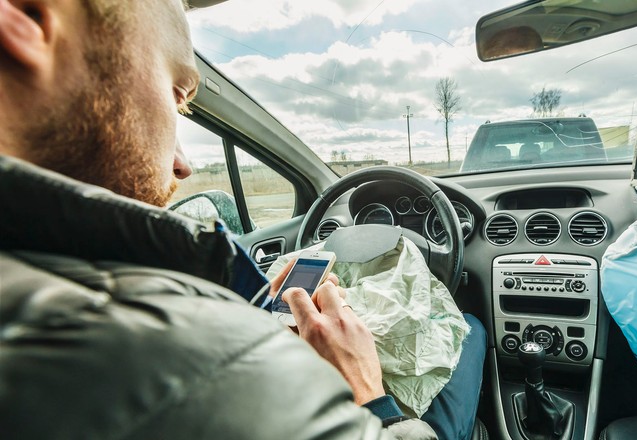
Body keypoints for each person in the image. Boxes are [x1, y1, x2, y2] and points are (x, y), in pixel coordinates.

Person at [0, 0, 484, 438]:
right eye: (177, 93)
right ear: (23, 16)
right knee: (471, 328)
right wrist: (368, 396)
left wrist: (254, 321)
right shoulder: (215, 368)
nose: (184, 164)